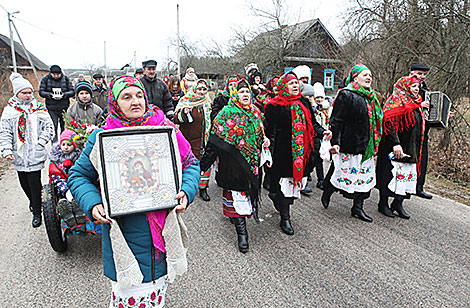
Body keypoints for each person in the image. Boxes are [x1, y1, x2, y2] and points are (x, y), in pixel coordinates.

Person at [68, 75, 200, 308]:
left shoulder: (165, 130)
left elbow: (191, 164)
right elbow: (78, 175)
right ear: (114, 102)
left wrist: (187, 191)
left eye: (139, 95)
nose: (135, 101)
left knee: (156, 297)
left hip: (162, 234)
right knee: (129, 297)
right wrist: (93, 203)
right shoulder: (101, 137)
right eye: (126, 97)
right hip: (125, 235)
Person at [200, 79, 269, 252]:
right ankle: (242, 235)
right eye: (241, 92)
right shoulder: (226, 113)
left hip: (252, 163)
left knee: (246, 196)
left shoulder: (256, 112)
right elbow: (214, 142)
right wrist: (203, 165)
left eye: (247, 92)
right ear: (235, 95)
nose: (245, 94)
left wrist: (265, 140)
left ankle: (239, 223)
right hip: (232, 165)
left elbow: (261, 133)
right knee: (237, 198)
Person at [265, 72, 329, 235]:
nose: (295, 86)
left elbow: (313, 124)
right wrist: (268, 154)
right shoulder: (274, 105)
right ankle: (285, 218)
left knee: (292, 186)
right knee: (280, 186)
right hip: (282, 152)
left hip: (301, 151)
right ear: (283, 87)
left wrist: (323, 132)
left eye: (296, 83)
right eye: (291, 83)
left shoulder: (304, 102)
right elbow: (269, 132)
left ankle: (284, 207)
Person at [321, 64, 383, 223]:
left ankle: (357, 207)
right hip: (349, 144)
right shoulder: (346, 95)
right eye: (365, 75)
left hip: (366, 145)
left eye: (370, 75)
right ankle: (328, 189)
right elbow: (336, 121)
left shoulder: (372, 97)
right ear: (355, 77)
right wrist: (335, 142)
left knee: (364, 179)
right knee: (342, 173)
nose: (369, 77)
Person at [0, 73, 54, 227]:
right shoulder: (10, 111)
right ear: (17, 93)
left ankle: (37, 212)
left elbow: (49, 128)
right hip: (19, 154)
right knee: (23, 182)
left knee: (34, 182)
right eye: (24, 93)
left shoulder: (39, 109)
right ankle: (32, 201)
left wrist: (41, 142)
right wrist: (6, 149)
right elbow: (5, 132)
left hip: (35, 153)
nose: (28, 95)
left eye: (30, 92)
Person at [376, 75, 425, 219]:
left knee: (405, 177)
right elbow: (388, 124)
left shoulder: (416, 103)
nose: (416, 89)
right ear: (405, 86)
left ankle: (398, 203)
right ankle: (383, 203)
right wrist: (395, 143)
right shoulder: (396, 101)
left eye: (417, 86)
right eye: (413, 86)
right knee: (389, 175)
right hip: (394, 146)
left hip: (411, 146)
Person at [173, 80, 213, 202]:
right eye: (199, 89)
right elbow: (175, 119)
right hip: (190, 140)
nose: (201, 92)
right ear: (195, 89)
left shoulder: (208, 102)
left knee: (205, 165)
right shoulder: (186, 101)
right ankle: (186, 189)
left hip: (204, 140)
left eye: (204, 89)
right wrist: (184, 113)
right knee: (189, 164)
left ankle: (203, 189)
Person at [48, 129, 85, 226]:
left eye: (69, 145)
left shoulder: (78, 156)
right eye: (63, 144)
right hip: (61, 179)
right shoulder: (57, 157)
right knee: (61, 184)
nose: (66, 147)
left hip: (75, 179)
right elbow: (53, 170)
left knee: (80, 183)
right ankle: (68, 206)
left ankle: (77, 208)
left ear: (74, 145)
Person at [410, 63, 433, 199]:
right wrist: (418, 104)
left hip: (423, 131)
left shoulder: (426, 91)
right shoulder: (405, 86)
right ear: (412, 73)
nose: (422, 77)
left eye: (424, 74)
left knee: (422, 159)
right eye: (419, 74)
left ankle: (419, 187)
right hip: (408, 131)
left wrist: (443, 115)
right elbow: (399, 105)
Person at [39, 65, 75, 142]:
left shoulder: (66, 79)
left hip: (64, 107)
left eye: (57, 74)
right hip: (51, 107)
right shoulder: (45, 80)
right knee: (53, 126)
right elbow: (41, 92)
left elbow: (72, 91)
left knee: (64, 126)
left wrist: (64, 95)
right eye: (54, 74)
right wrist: (50, 95)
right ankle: (54, 143)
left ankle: (64, 142)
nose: (56, 76)